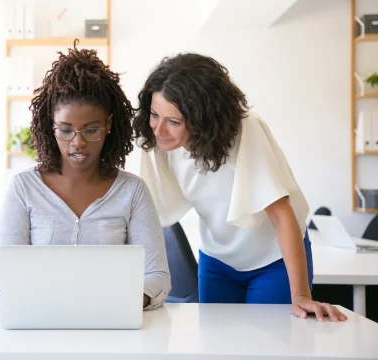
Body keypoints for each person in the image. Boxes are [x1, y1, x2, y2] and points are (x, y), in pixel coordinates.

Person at [134, 52, 347, 321]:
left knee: (271, 346)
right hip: (217, 259)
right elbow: (151, 213)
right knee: (218, 347)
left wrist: (302, 296)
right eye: (154, 115)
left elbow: (282, 215)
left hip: (273, 260)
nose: (159, 130)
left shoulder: (245, 129)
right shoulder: (161, 142)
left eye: (174, 122)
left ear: (202, 120)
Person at [0, 42, 171, 310]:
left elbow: (157, 276)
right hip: (42, 325)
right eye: (65, 130)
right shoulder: (23, 189)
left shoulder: (132, 191)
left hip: (111, 324)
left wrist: (119, 303)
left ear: (109, 125)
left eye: (90, 130)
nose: (77, 143)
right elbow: (4, 276)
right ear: (50, 126)